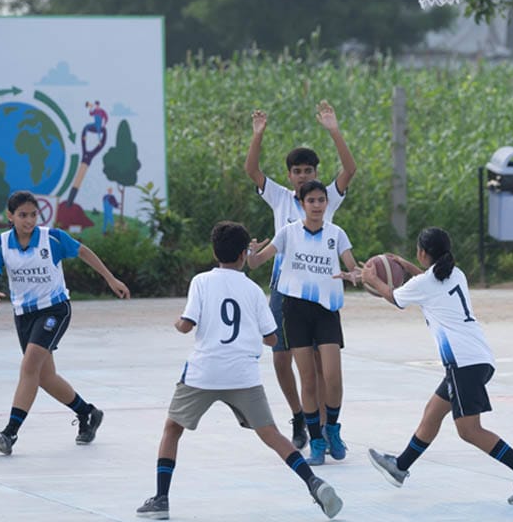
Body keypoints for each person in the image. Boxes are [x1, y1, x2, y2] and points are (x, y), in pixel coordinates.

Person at [136, 221, 343, 520]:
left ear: (214, 251)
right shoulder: (253, 290)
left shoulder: (201, 281)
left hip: (203, 373)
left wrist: (177, 322)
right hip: (243, 375)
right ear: (245, 255)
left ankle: (161, 499)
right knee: (271, 434)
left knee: (172, 429)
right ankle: (314, 483)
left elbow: (186, 325)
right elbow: (271, 338)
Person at [361, 226, 513, 505]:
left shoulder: (424, 284)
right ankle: (400, 466)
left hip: (464, 363)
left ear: (423, 252)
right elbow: (425, 280)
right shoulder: (454, 273)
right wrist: (403, 265)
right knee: (433, 413)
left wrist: (372, 279)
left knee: (469, 430)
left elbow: (393, 296)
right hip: (475, 358)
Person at [0, 190, 130, 455]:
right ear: (10, 216)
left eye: (33, 214)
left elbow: (83, 252)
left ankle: (10, 433)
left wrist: (110, 279)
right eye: (22, 215)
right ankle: (88, 413)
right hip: (24, 315)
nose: (29, 220)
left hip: (55, 310)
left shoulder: (52, 238)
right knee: (45, 377)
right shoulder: (1, 244)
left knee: (29, 367)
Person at [243, 100, 356, 451]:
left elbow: (349, 169)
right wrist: (258, 135)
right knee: (282, 357)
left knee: (324, 366)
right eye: (298, 171)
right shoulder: (279, 198)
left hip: (321, 290)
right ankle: (299, 416)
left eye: (309, 170)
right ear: (290, 175)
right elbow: (251, 170)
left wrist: (334, 130)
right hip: (285, 288)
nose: (304, 176)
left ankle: (324, 427)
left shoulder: (325, 200)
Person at [248, 181, 360, 466]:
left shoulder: (337, 234)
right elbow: (257, 262)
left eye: (321, 200)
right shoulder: (288, 233)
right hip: (295, 310)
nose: (317, 205)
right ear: (301, 203)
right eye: (311, 200)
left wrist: (358, 274)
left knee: (333, 376)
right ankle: (317, 442)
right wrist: (250, 252)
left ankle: (332, 429)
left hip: (326, 310)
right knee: (308, 379)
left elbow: (352, 266)